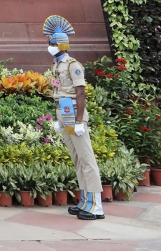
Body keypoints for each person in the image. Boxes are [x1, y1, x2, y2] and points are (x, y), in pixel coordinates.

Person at [44, 15, 105, 221]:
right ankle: (85, 201)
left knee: (87, 158)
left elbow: (80, 93)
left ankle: (96, 205)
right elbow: (59, 90)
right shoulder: (56, 64)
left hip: (74, 113)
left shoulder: (73, 65)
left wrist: (79, 121)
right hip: (64, 112)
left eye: (52, 43)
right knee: (77, 159)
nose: (49, 45)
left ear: (61, 44)